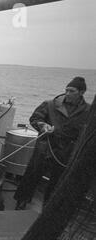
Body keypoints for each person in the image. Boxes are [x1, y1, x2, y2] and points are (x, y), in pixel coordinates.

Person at [14, 77, 91, 210]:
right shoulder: (50, 104)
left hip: (66, 151)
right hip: (45, 146)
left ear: (81, 92)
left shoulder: (88, 111)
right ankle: (22, 200)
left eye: (72, 91)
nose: (67, 93)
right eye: (66, 90)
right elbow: (34, 118)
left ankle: (48, 207)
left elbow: (88, 132)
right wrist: (42, 125)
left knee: (57, 180)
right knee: (32, 174)